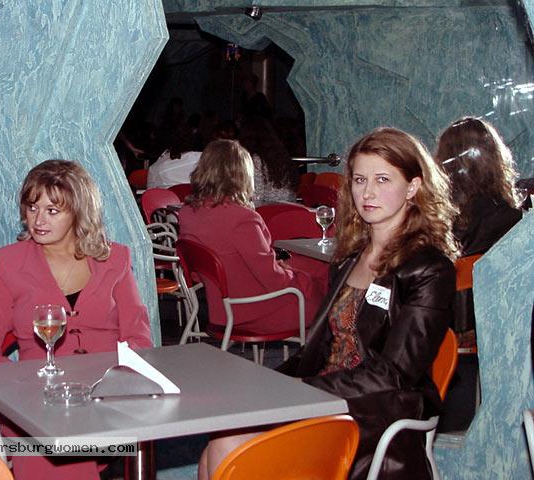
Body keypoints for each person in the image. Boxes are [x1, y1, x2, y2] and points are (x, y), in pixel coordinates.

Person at [198, 128, 459, 480]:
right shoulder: (349, 258)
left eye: (382, 179)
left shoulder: (429, 269)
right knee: (222, 438)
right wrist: (267, 385)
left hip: (374, 408)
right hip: (325, 394)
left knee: (229, 447)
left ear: (412, 187)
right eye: (360, 180)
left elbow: (393, 375)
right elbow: (320, 350)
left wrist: (301, 392)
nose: (368, 192)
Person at [0, 160, 152, 480]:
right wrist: (24, 387)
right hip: (37, 404)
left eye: (52, 210)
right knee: (52, 445)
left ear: (78, 212)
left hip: (105, 401)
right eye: (32, 207)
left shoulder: (115, 259)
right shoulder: (9, 263)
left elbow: (139, 338)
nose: (38, 220)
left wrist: (114, 381)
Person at [179, 139, 328, 336]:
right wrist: (301, 279)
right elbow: (274, 280)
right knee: (324, 282)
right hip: (256, 312)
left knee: (312, 266)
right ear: (242, 174)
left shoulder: (188, 212)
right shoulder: (242, 218)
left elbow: (198, 273)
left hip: (221, 308)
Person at [434, 117, 522, 335]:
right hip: (496, 322)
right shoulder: (510, 217)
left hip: (441, 324)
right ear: (494, 158)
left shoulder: (435, 217)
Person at [238, 116, 298, 204]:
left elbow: (257, 196)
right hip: (289, 205)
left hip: (269, 207)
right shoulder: (280, 154)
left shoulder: (256, 160)